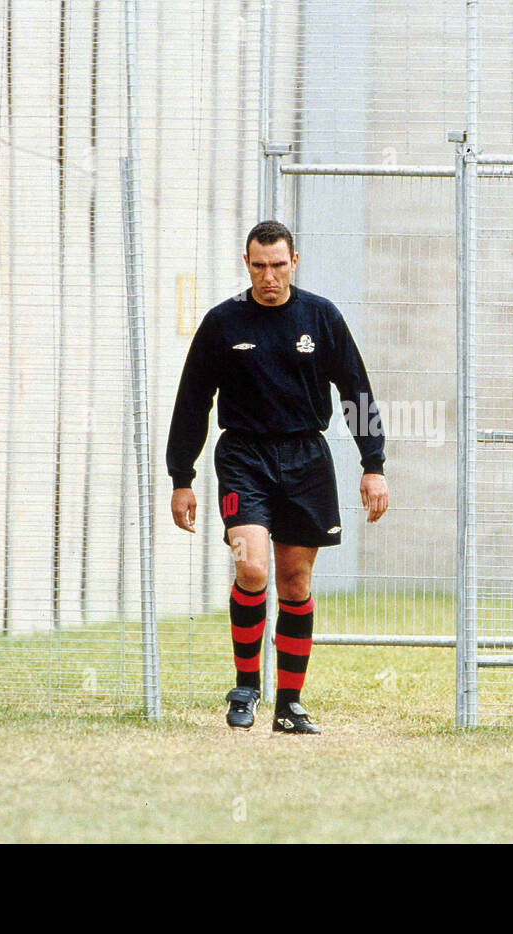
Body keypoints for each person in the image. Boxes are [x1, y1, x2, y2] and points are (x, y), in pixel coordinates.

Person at [166, 220, 388, 734]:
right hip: (244, 458)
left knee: (294, 581)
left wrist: (372, 465)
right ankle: (246, 687)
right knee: (253, 572)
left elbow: (356, 392)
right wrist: (182, 476)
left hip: (307, 459)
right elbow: (192, 402)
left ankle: (289, 703)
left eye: (279, 265)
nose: (270, 276)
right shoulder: (223, 324)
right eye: (259, 265)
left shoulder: (321, 317)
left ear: (295, 262)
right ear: (247, 264)